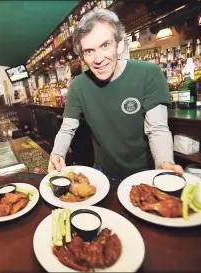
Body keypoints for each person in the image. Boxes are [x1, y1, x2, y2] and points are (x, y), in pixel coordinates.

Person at [48, 9, 183, 184]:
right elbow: (67, 128)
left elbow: (157, 129)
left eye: (105, 45)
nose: (98, 59)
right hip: (103, 175)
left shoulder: (149, 73)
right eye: (89, 51)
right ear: (82, 57)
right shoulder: (78, 86)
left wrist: (164, 163)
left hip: (145, 175)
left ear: (119, 44)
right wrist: (57, 153)